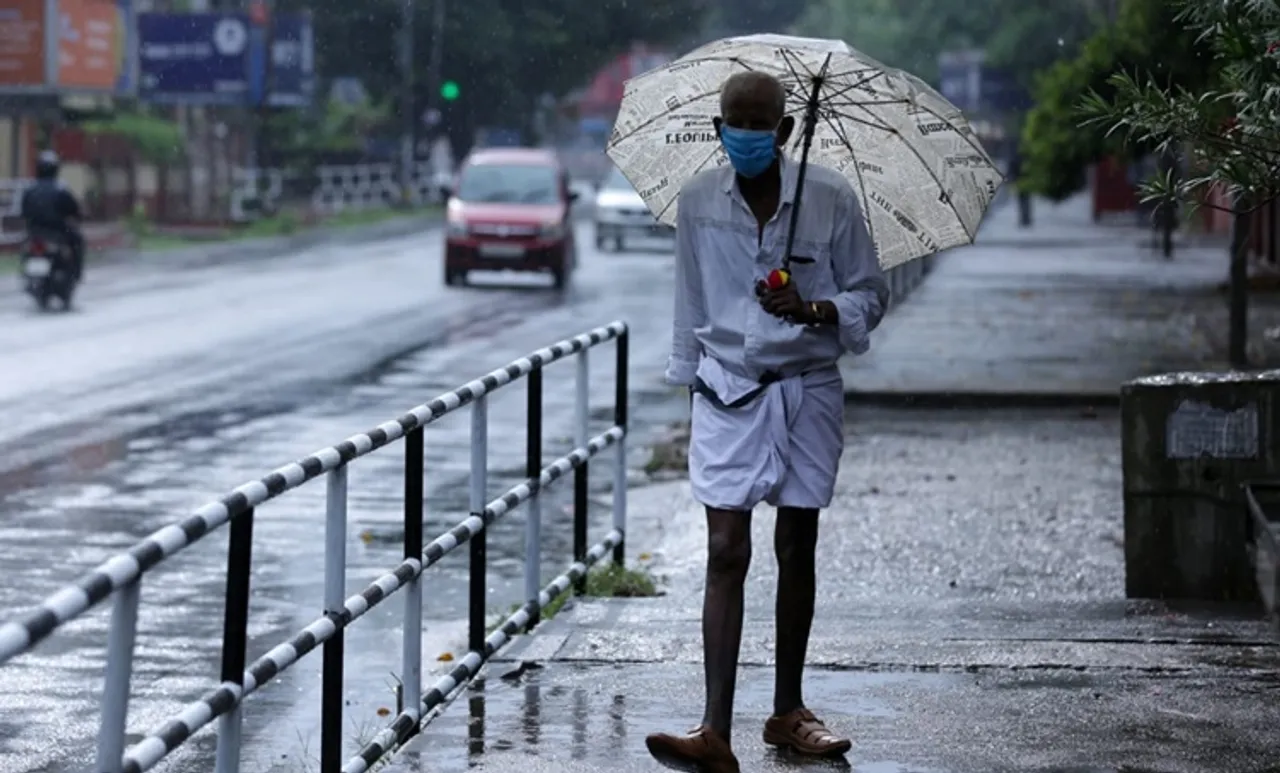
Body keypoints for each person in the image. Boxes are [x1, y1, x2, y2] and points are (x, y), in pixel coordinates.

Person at [645, 71, 890, 773]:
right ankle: (713, 728)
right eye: (736, 123)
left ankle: (787, 710)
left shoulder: (832, 199)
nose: (747, 135)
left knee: (795, 543)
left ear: (784, 131)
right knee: (726, 549)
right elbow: (689, 301)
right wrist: (687, 384)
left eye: (760, 124)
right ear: (718, 129)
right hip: (725, 389)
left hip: (807, 389)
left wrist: (814, 308)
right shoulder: (698, 201)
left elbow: (870, 294)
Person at [21, 150, 85, 282]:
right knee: (78, 240)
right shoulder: (60, 189)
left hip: (35, 231)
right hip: (57, 231)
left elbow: (23, 212)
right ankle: (76, 273)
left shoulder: (30, 189)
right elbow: (74, 209)